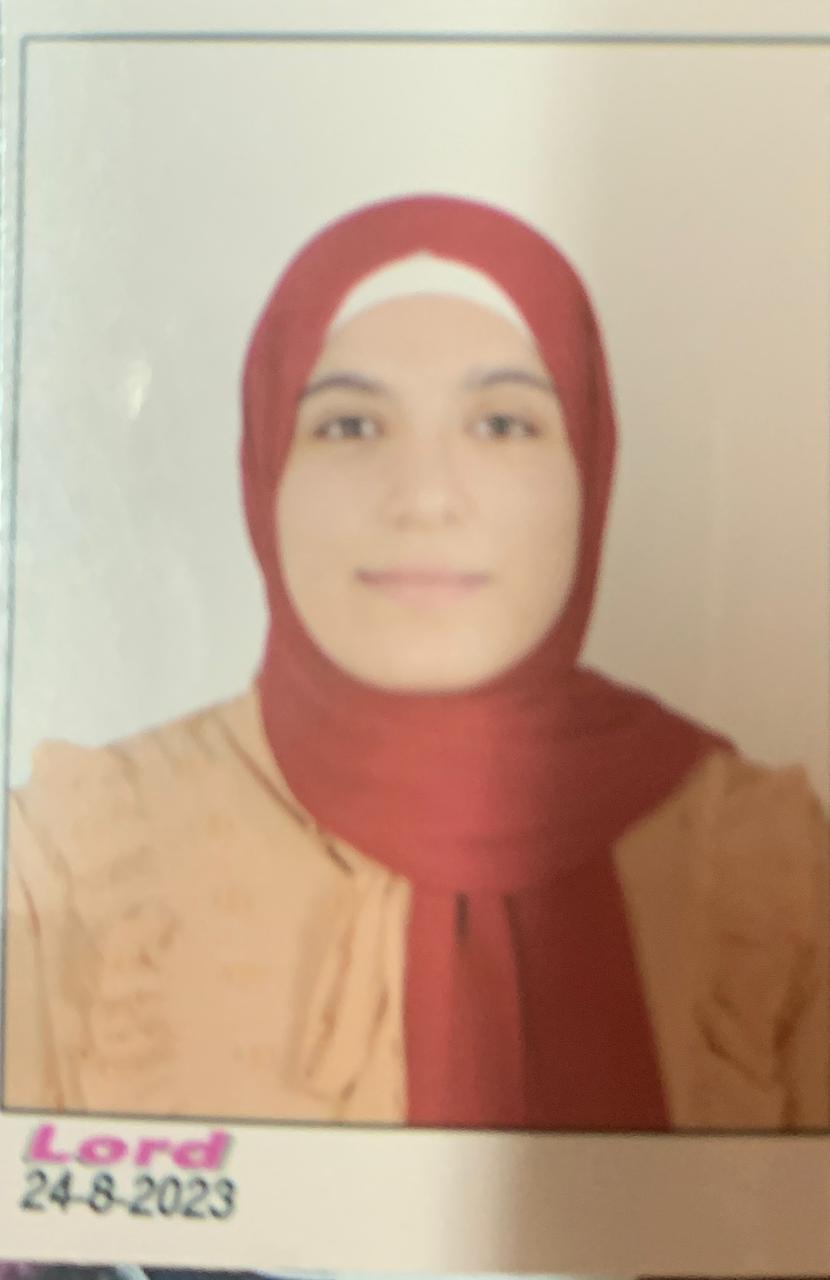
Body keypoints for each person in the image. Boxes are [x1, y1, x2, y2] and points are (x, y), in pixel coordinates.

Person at [4, 194, 827, 1130]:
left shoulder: (757, 861)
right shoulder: (81, 857)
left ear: (590, 470)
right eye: (350, 426)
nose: (427, 497)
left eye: (504, 424)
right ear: (267, 470)